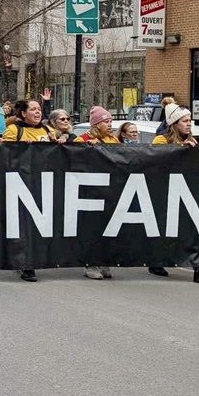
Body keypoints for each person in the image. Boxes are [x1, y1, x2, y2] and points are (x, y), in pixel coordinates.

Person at [151, 104, 199, 284]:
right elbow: (157, 159)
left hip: (187, 193)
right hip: (166, 192)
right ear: (174, 123)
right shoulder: (161, 139)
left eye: (190, 121)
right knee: (166, 232)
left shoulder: (193, 140)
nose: (189, 124)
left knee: (194, 231)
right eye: (185, 121)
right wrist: (181, 148)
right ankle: (156, 260)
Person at [0, 99, 52, 282]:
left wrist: (60, 142)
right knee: (24, 226)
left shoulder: (47, 130)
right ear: (23, 113)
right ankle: (26, 264)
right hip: (21, 184)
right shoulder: (14, 130)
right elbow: (4, 154)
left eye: (39, 109)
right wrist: (21, 149)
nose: (38, 112)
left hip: (43, 184)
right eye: (33, 109)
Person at [76, 106, 118, 280]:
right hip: (89, 191)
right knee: (91, 228)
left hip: (110, 189)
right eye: (106, 121)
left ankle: (103, 260)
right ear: (96, 124)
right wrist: (87, 149)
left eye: (111, 121)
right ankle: (90, 263)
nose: (110, 124)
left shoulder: (113, 140)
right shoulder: (83, 139)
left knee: (108, 227)